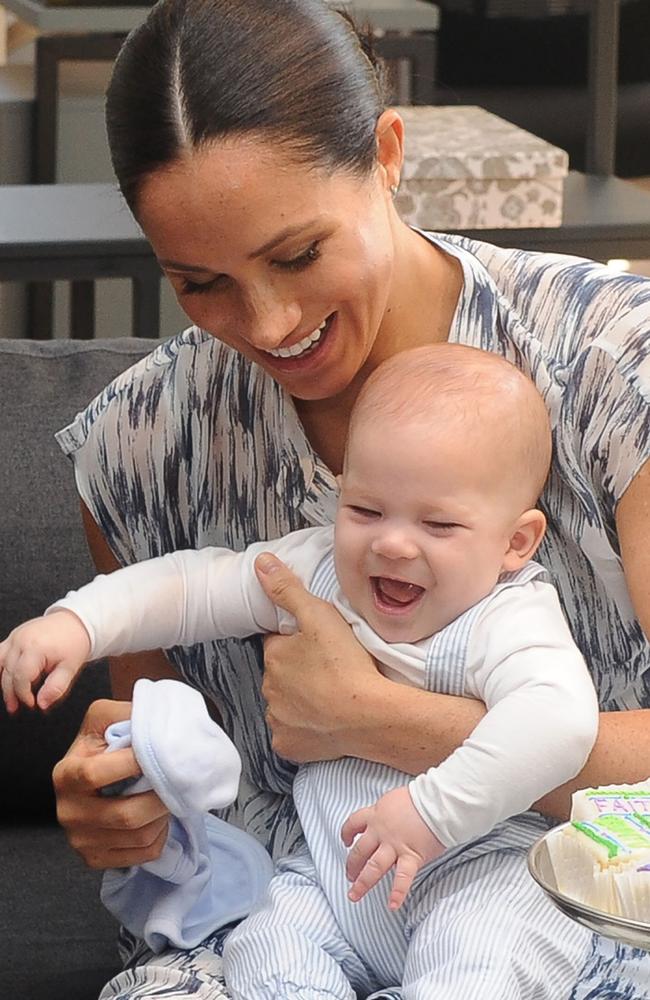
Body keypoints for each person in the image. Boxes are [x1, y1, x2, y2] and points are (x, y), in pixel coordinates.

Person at [18, 0, 649, 995]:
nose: (267, 324)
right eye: (199, 281)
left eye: (298, 253)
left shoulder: (610, 362)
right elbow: (162, 720)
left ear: (387, 152)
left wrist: (376, 719)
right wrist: (131, 798)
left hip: (579, 913)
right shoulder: (141, 445)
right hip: (295, 904)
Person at [0, 345, 600, 997]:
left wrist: (431, 813)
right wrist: (76, 622)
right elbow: (190, 588)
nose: (392, 543)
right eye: (366, 510)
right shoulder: (315, 570)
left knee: (479, 961)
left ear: (516, 541)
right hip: (333, 883)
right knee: (267, 940)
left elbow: (559, 724)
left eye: (439, 523)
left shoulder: (509, 614)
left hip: (482, 873)